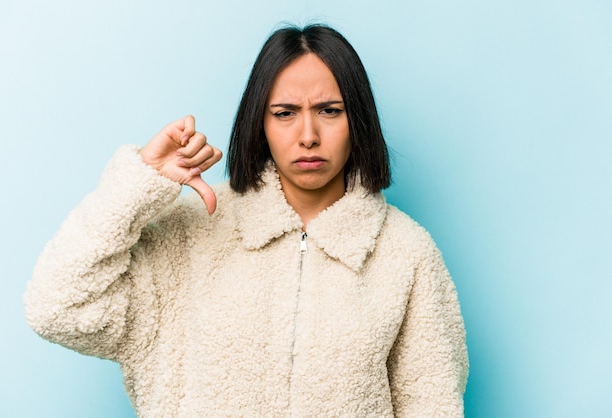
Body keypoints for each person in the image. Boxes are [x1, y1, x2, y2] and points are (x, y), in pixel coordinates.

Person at [24, 24, 468, 417]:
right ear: (260, 123)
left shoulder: (405, 253)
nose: (308, 135)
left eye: (330, 110)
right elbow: (58, 308)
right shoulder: (190, 232)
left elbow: (433, 404)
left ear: (359, 121)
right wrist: (139, 184)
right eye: (285, 113)